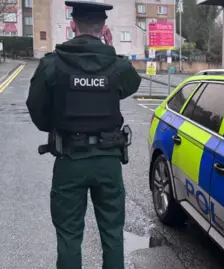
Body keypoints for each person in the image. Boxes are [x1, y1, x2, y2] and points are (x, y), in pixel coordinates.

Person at [26, 1, 141, 269]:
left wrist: (56, 127)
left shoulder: (51, 65)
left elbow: (35, 107)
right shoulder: (117, 65)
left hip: (70, 160)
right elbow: (130, 84)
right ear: (104, 29)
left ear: (72, 25)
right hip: (108, 161)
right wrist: (110, 50)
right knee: (113, 236)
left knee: (68, 238)